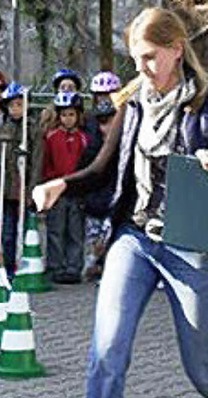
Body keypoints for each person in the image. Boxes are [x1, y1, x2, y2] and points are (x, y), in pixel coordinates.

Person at [33, 7, 208, 398]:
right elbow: (102, 169)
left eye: (151, 57)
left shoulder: (203, 104)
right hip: (134, 239)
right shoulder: (133, 107)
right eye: (137, 59)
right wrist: (61, 185)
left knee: (202, 368)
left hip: (188, 245)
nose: (144, 68)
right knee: (105, 356)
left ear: (177, 49)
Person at [0, 82, 39, 280]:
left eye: (20, 105)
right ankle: (7, 266)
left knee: (25, 230)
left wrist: (31, 190)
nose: (16, 109)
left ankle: (26, 264)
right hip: (6, 191)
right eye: (12, 106)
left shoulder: (33, 130)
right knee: (7, 232)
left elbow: (37, 162)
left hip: (24, 189)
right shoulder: (2, 129)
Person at [42, 91, 89, 284]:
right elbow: (46, 164)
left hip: (76, 191)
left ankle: (73, 267)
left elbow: (88, 165)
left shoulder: (83, 138)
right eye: (64, 115)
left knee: (75, 231)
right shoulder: (52, 138)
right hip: (56, 191)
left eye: (71, 114)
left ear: (78, 116)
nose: (68, 119)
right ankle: (56, 267)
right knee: (56, 230)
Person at [79, 99, 117, 282]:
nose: (107, 127)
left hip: (116, 204)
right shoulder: (92, 146)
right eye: (102, 122)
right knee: (94, 243)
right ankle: (92, 267)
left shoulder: (127, 144)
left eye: (111, 121)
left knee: (111, 241)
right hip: (95, 203)